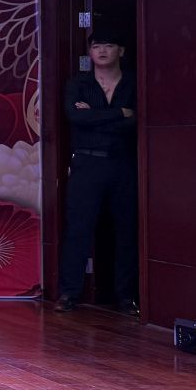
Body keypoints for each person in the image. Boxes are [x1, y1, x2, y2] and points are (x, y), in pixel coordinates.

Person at [56, 31, 138, 314]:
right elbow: (75, 117)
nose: (102, 51)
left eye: (109, 45)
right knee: (78, 227)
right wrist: (120, 113)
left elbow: (137, 121)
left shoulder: (133, 83)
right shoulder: (78, 84)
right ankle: (69, 293)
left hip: (123, 163)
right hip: (86, 163)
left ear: (121, 51)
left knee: (127, 229)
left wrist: (93, 116)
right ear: (90, 52)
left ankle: (126, 296)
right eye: (97, 46)